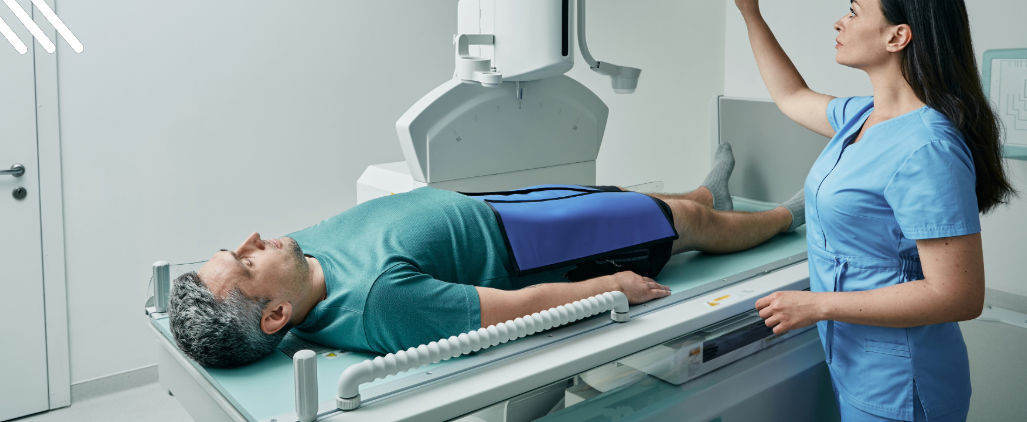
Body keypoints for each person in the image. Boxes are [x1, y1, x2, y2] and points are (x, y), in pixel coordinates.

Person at [168, 152, 807, 368]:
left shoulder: (295, 262)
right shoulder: (378, 305)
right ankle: (786, 215)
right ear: (277, 315)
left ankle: (704, 194)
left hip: (501, 211)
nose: (254, 240)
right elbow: (507, 311)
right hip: (536, 249)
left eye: (238, 248)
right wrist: (609, 286)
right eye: (245, 263)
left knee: (626, 197)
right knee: (676, 226)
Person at [727, 0, 1011, 422]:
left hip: (901, 380)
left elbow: (959, 294)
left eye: (855, 11)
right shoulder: (864, 116)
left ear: (897, 36)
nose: (840, 21)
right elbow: (792, 97)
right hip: (856, 359)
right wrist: (750, 12)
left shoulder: (927, 148)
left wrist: (817, 305)